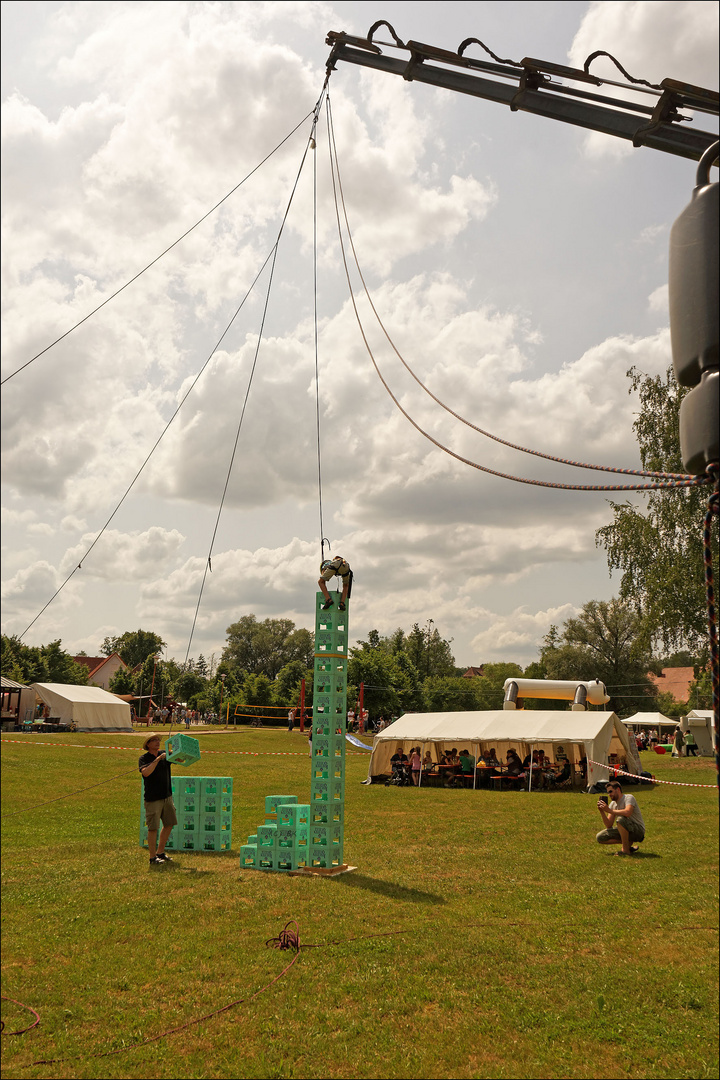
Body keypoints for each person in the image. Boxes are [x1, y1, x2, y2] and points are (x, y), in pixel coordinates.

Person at [139, 733, 177, 866]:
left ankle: (160, 852)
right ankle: (152, 857)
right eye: (153, 740)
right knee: (153, 828)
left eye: (158, 740)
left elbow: (181, 759)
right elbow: (146, 773)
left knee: (169, 823)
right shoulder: (144, 758)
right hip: (153, 799)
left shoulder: (165, 754)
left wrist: (177, 747)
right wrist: (158, 759)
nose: (157, 742)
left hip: (167, 796)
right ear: (148, 744)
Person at [596, 780, 646, 856]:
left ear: (618, 790)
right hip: (624, 829)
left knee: (620, 819)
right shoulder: (613, 804)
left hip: (637, 830)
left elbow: (627, 812)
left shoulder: (629, 797)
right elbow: (609, 825)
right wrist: (602, 811)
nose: (609, 794)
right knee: (600, 837)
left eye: (610, 791)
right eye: (608, 792)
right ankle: (628, 844)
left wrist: (609, 810)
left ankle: (625, 851)